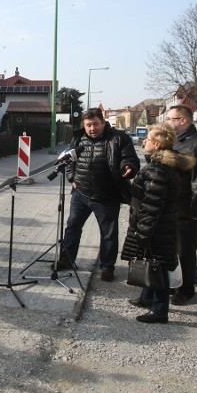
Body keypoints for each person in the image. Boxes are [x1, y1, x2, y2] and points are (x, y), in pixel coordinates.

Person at [121, 123, 196, 323]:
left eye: (147, 139)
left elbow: (153, 205)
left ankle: (160, 310)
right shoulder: (161, 165)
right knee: (149, 259)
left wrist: (144, 232)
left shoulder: (158, 170)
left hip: (157, 226)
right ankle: (147, 297)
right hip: (159, 223)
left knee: (158, 265)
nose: (144, 141)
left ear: (155, 144)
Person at [62, 108, 140, 281]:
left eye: (96, 124)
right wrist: (71, 177)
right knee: (72, 228)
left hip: (107, 196)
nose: (92, 128)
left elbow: (131, 159)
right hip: (81, 194)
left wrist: (128, 167)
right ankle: (66, 261)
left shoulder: (119, 138)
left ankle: (107, 267)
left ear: (103, 122)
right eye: (88, 125)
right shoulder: (78, 137)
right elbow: (69, 161)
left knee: (108, 234)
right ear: (84, 124)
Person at [164, 104, 197, 305]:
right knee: (170, 249)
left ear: (183, 120)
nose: (168, 122)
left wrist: (195, 210)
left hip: (185, 209)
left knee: (185, 251)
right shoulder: (175, 142)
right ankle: (175, 285)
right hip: (170, 206)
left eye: (171, 119)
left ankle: (186, 289)